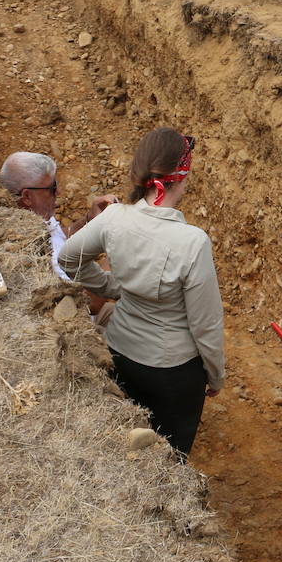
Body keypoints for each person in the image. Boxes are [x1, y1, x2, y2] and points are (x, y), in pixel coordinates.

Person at [57, 128, 225, 457]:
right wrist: (216, 375)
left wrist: (114, 287)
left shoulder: (115, 218)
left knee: (124, 448)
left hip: (119, 352)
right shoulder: (192, 241)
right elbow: (205, 325)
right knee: (170, 458)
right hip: (173, 372)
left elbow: (69, 258)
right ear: (183, 175)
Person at [0, 151, 117, 317]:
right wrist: (116, 251)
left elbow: (60, 235)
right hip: (80, 324)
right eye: (52, 188)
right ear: (27, 196)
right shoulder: (38, 255)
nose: (59, 192)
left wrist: (89, 220)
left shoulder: (32, 217)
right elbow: (90, 305)